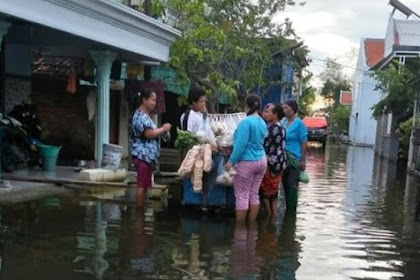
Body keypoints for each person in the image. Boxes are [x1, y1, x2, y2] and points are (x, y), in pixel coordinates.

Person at [225, 95, 267, 223]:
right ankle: (252, 226)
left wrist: (231, 161)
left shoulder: (245, 122)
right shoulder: (262, 122)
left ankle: (240, 229)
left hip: (247, 162)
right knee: (254, 194)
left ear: (247, 106)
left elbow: (240, 145)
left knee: (242, 195)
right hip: (261, 160)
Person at [130, 88, 172, 208]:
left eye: (155, 100)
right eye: (152, 100)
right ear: (144, 100)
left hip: (147, 158)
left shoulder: (146, 116)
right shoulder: (140, 116)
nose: (154, 103)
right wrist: (163, 129)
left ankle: (141, 214)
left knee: (144, 186)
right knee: (141, 186)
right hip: (142, 156)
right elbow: (149, 134)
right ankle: (139, 216)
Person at [260, 103, 287, 218]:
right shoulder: (281, 126)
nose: (265, 114)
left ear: (275, 114)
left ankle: (269, 216)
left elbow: (266, 145)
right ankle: (273, 218)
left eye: (268, 112)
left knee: (265, 190)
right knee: (274, 190)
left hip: (272, 162)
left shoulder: (273, 128)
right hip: (280, 162)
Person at [281, 99, 308, 211]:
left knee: (292, 185)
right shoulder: (282, 122)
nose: (284, 110)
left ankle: (291, 212)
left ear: (293, 110)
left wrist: (302, 160)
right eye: (283, 108)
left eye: (286, 108)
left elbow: (304, 142)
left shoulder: (299, 124)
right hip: (282, 159)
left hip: (294, 159)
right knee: (284, 185)